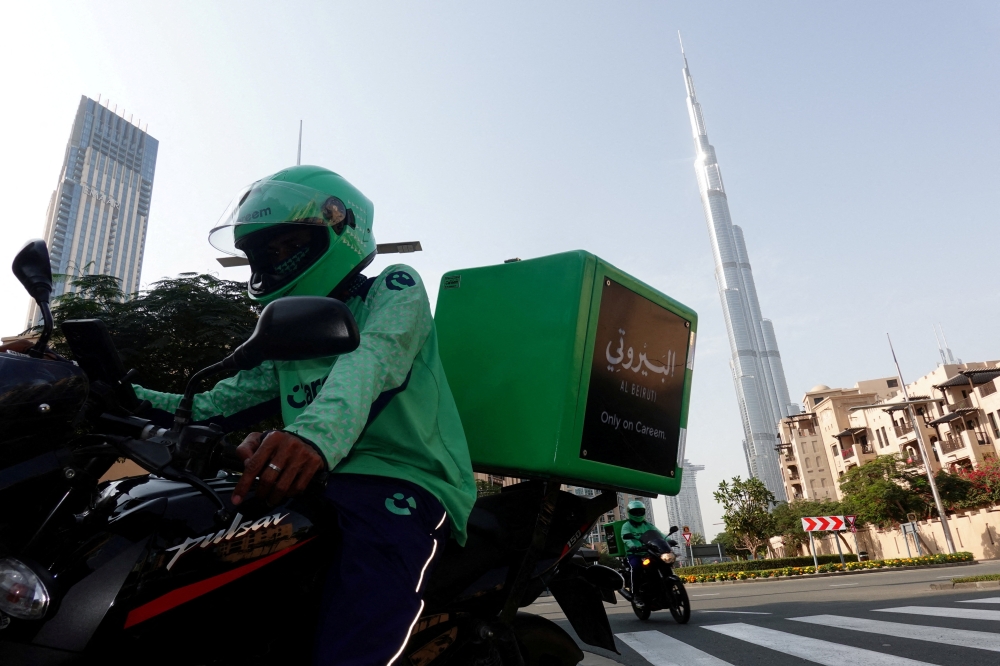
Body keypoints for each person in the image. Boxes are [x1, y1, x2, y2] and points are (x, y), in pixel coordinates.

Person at [133, 166, 476, 665]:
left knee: (362, 612)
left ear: (340, 226)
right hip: (319, 479)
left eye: (281, 248)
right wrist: (103, 386)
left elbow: (373, 360)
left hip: (406, 479)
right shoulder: (287, 335)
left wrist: (311, 437)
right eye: (259, 256)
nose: (268, 266)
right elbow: (209, 406)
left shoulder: (393, 288)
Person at [620, 500, 667, 603]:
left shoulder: (648, 525)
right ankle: (635, 593)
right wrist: (632, 546)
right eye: (635, 512)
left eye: (640, 511)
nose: (638, 514)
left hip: (649, 552)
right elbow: (626, 539)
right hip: (634, 554)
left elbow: (659, 534)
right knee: (635, 567)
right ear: (629, 513)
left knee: (663, 563)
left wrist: (667, 540)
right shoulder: (626, 526)